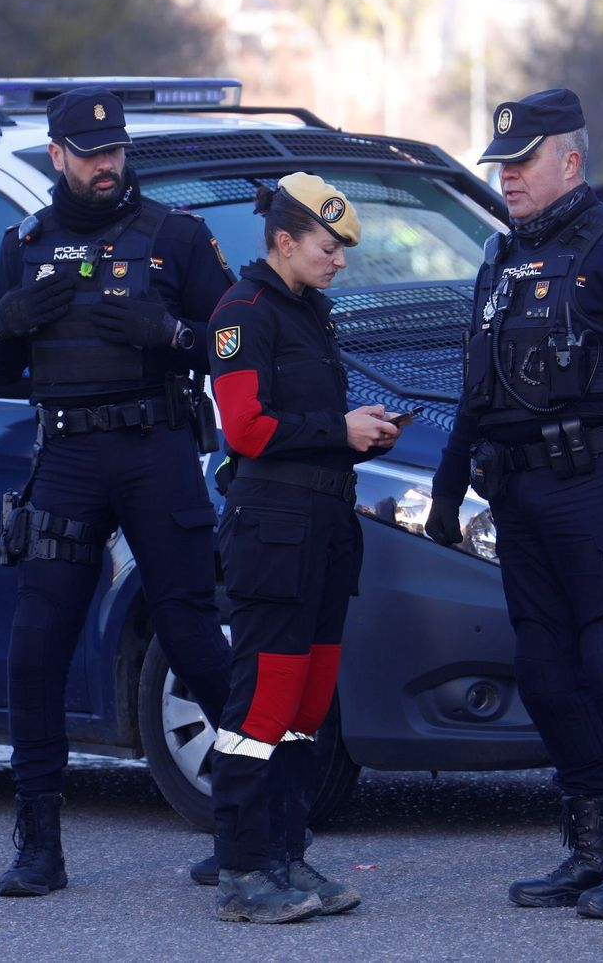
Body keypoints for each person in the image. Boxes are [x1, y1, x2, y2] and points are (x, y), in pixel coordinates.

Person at [426, 88, 603, 920]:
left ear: (569, 161)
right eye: (500, 164)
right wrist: (445, 486)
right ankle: (592, 845)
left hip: (599, 488)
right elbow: (478, 387)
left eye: (521, 162)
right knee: (545, 671)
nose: (505, 177)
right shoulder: (502, 258)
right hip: (521, 493)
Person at [0, 86, 234, 896]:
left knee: (194, 636)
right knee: (36, 644)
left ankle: (258, 820)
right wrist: (7, 319)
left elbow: (235, 344)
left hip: (155, 447)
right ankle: (39, 844)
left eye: (115, 152)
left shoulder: (176, 237)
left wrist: (170, 336)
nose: (105, 166)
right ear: (56, 156)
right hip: (69, 455)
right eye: (89, 155)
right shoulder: (24, 244)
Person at [205, 173, 399, 923]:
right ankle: (244, 869)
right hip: (274, 535)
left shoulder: (308, 313)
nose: (341, 260)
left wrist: (360, 427)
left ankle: (286, 853)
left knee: (306, 709)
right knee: (262, 705)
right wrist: (337, 432)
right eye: (329, 246)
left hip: (323, 530)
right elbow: (246, 429)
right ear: (284, 242)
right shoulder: (243, 312)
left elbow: (303, 420)